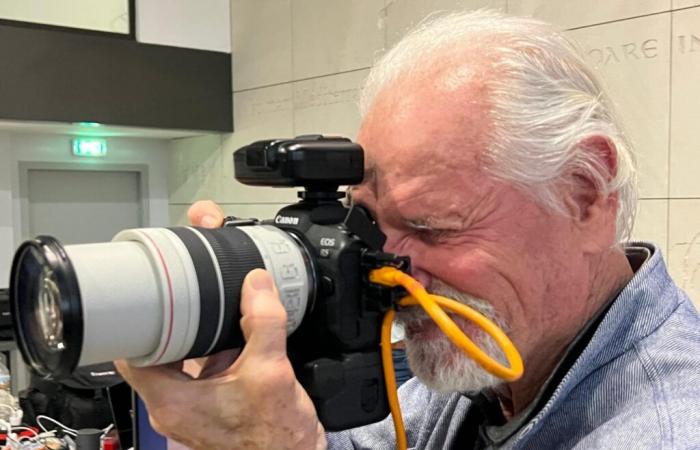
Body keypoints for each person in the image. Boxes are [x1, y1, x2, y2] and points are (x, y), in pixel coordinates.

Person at [115, 10, 700, 450]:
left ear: (585, 194)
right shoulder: (502, 356)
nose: (385, 270)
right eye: (369, 222)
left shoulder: (667, 427)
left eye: (431, 227)